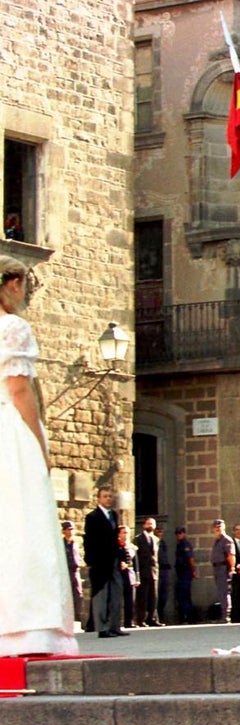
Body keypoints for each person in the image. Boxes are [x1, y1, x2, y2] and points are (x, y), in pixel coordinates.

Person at [0, 256, 77, 655]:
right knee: (24, 520)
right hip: (10, 430)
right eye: (25, 286)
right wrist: (39, 443)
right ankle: (26, 629)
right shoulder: (12, 327)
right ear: (13, 284)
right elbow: (19, 390)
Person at [84, 488, 124, 639]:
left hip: (113, 560)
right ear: (99, 499)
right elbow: (89, 540)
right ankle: (102, 628)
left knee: (116, 592)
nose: (108, 499)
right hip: (100, 561)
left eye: (110, 496)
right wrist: (90, 560)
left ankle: (115, 626)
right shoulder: (92, 517)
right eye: (105, 496)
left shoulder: (114, 515)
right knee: (101, 595)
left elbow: (115, 539)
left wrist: (120, 558)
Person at [134, 517, 161, 627]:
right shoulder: (138, 539)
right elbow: (136, 557)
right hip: (143, 571)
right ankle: (141, 620)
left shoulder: (156, 539)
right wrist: (137, 573)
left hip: (154, 572)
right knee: (143, 597)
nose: (150, 525)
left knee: (153, 597)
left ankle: (152, 618)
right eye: (148, 523)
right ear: (144, 525)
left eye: (152, 524)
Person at [209, 519, 236, 623]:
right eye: (216, 527)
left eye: (219, 527)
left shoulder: (226, 540)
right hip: (218, 568)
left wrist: (232, 568)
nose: (218, 529)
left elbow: (231, 555)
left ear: (224, 527)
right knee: (221, 592)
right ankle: (224, 615)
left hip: (224, 568)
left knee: (224, 592)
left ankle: (226, 615)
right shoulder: (217, 540)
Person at [174, 526, 198, 624]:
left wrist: (193, 571)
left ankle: (188, 617)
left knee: (184, 595)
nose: (178, 535)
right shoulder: (179, 544)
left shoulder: (185, 544)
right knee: (182, 595)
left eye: (180, 533)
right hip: (181, 573)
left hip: (185, 572)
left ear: (184, 533)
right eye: (177, 533)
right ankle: (186, 616)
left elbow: (190, 559)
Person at [62, 521, 84, 625]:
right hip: (66, 572)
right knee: (66, 595)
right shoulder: (61, 544)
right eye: (68, 529)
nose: (70, 532)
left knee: (78, 594)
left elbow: (78, 556)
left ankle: (77, 617)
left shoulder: (75, 543)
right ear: (64, 531)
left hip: (75, 571)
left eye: (72, 529)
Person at [118, 525, 139, 629]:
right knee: (117, 600)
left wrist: (137, 577)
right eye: (124, 532)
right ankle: (116, 622)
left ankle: (129, 621)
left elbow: (135, 563)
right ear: (119, 534)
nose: (126, 535)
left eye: (127, 532)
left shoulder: (132, 547)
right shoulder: (116, 546)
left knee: (130, 600)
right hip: (119, 575)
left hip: (130, 575)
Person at [156, 525, 171, 624]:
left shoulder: (163, 543)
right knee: (156, 595)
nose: (160, 533)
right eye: (158, 531)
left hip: (165, 570)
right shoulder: (154, 542)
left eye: (161, 531)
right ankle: (156, 616)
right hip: (158, 570)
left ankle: (161, 615)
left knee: (164, 595)